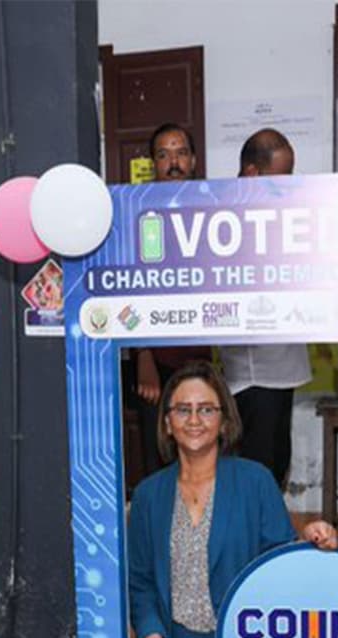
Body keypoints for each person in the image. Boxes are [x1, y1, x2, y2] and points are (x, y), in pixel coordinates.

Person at [128, 361, 338, 638]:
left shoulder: (256, 481)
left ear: (224, 421)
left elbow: (281, 563)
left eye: (207, 410)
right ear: (168, 422)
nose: (195, 420)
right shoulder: (147, 495)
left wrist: (311, 540)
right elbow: (140, 582)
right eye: (183, 410)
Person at [217, 129, 311, 492]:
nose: (288, 186)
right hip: (254, 370)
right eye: (282, 177)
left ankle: (269, 539)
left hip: (284, 362)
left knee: (277, 464)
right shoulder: (225, 215)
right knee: (257, 469)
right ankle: (255, 544)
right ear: (253, 174)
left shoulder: (286, 213)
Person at [131, 123, 212, 482]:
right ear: (153, 164)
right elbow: (129, 288)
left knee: (201, 450)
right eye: (164, 155)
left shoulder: (212, 209)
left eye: (180, 153)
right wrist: (144, 355)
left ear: (193, 160)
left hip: (199, 354)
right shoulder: (136, 213)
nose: (173, 162)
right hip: (156, 360)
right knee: (159, 454)